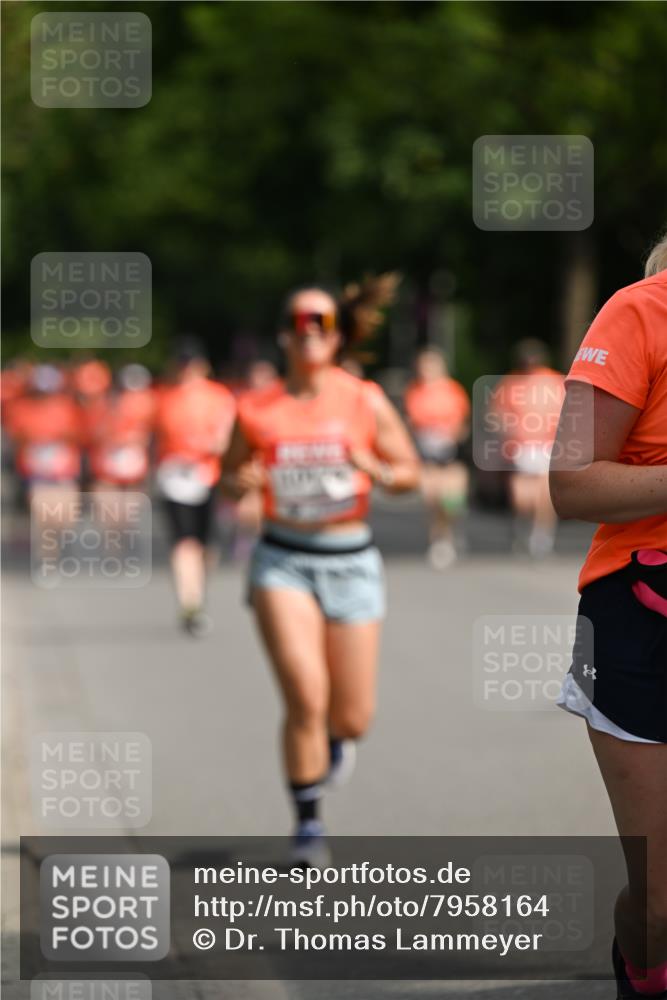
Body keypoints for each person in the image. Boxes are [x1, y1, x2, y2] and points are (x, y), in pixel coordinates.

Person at [221, 279, 419, 865]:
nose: (310, 332)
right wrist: (243, 482)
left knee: (352, 716)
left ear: (337, 336)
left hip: (352, 561)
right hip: (283, 560)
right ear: (284, 334)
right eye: (300, 322)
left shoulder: (364, 400)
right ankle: (308, 825)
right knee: (305, 696)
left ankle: (333, 743)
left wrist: (377, 470)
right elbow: (229, 472)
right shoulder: (256, 408)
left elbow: (409, 474)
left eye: (323, 323)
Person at [550, 235, 667, 999]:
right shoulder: (639, 312)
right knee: (662, 906)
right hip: (643, 616)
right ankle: (640, 967)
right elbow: (572, 484)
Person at [154, 339, 236, 637]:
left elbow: (226, 438)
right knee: (184, 543)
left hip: (209, 476)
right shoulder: (166, 397)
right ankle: (190, 603)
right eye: (183, 364)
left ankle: (197, 594)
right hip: (175, 478)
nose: (187, 370)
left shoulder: (219, 397)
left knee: (207, 547)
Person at [492, 339, 565, 557]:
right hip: (521, 445)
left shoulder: (554, 381)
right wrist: (508, 431)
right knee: (522, 497)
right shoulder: (510, 383)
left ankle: (541, 536)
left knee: (545, 495)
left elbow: (567, 411)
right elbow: (497, 412)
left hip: (547, 443)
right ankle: (522, 525)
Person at [404, 347, 470, 568]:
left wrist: (450, 435)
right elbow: (411, 422)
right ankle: (438, 539)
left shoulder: (453, 391)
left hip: (449, 454)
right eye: (423, 366)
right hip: (426, 454)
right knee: (431, 497)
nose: (426, 370)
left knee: (450, 500)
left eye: (431, 365)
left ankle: (450, 532)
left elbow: (462, 423)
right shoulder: (415, 391)